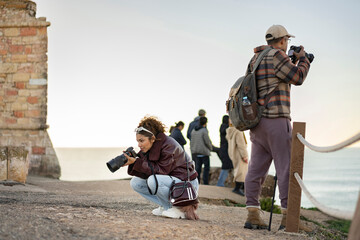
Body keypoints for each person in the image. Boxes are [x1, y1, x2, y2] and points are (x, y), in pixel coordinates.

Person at [243, 25, 311, 230]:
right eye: (287, 41)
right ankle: (287, 218)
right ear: (282, 41)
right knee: (286, 169)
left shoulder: (255, 59)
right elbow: (297, 77)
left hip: (257, 123)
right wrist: (304, 59)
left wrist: (292, 60)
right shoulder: (276, 56)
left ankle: (253, 214)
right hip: (277, 120)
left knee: (255, 169)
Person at [124, 116, 199, 220]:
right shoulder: (150, 147)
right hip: (174, 181)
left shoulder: (169, 145)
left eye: (141, 141)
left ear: (152, 138)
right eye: (138, 141)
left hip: (186, 185)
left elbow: (161, 171)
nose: (139, 145)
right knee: (135, 182)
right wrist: (132, 162)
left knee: (153, 180)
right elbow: (147, 169)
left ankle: (178, 209)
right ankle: (165, 206)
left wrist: (137, 162)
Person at [226, 120, 248, 196]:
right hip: (239, 154)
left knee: (237, 170)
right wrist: (245, 156)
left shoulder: (230, 130)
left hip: (233, 153)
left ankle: (239, 188)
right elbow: (241, 144)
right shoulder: (238, 131)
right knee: (241, 171)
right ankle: (237, 189)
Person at [190, 116, 212, 185]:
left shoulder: (193, 130)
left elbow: (191, 141)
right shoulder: (204, 130)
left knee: (197, 169)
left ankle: (197, 183)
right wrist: (210, 148)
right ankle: (205, 183)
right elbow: (207, 141)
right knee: (206, 169)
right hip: (204, 152)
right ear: (205, 123)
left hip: (196, 152)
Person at [216, 115, 234, 187]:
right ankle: (220, 183)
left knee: (226, 166)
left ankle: (221, 183)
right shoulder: (226, 128)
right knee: (226, 166)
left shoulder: (222, 126)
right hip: (225, 150)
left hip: (223, 149)